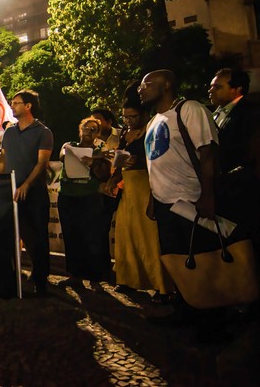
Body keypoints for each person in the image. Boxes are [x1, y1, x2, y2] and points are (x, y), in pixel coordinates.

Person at [139, 70, 224, 341]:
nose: (141, 90)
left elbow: (208, 153)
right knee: (177, 261)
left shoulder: (190, 110)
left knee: (201, 262)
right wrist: (154, 198)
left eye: (147, 84)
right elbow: (157, 162)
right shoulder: (154, 121)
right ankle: (184, 311)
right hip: (165, 205)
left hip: (191, 201)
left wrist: (208, 195)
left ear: (167, 85)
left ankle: (211, 324)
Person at [110, 97, 171, 301]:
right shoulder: (125, 133)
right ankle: (129, 279)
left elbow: (160, 158)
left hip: (146, 185)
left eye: (133, 116)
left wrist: (140, 162)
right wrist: (114, 177)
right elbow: (120, 160)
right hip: (128, 187)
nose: (128, 120)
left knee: (149, 237)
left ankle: (161, 285)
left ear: (144, 114)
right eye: (125, 117)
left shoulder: (153, 130)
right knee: (127, 234)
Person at [208, 68, 260, 277]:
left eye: (218, 86)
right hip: (223, 189)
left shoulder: (251, 113)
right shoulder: (214, 114)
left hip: (243, 189)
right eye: (211, 86)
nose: (210, 90)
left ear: (237, 89)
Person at [2, 90, 53, 295]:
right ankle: (12, 275)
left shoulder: (43, 132)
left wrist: (26, 185)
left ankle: (41, 277)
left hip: (34, 193)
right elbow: (3, 161)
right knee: (12, 235)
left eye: (16, 103)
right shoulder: (8, 132)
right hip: (11, 193)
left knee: (37, 236)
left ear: (29, 106)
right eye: (12, 102)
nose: (12, 106)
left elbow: (42, 163)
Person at [57, 117, 112, 284]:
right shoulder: (69, 145)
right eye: (86, 128)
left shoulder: (101, 152)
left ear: (98, 134)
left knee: (91, 237)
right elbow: (62, 155)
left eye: (93, 129)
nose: (88, 131)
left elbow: (105, 175)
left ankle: (95, 277)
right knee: (71, 236)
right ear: (80, 130)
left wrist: (95, 159)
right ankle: (75, 276)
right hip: (67, 196)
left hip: (90, 197)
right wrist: (94, 155)